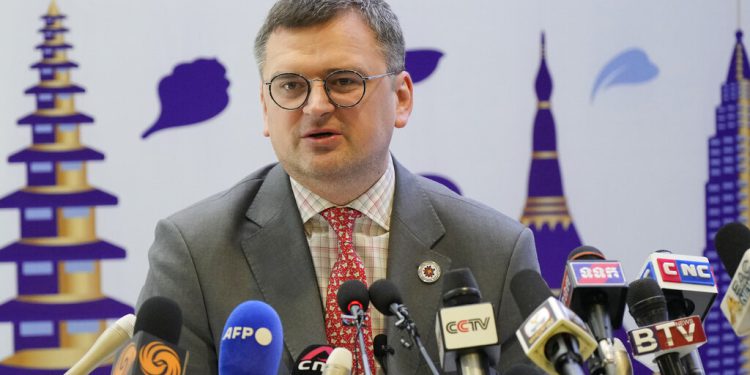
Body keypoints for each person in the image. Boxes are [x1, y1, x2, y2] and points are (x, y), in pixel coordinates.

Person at [137, 0, 541, 374]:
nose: (315, 106)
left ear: (401, 98)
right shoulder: (193, 253)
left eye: (343, 81)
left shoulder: (495, 252)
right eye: (291, 86)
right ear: (265, 108)